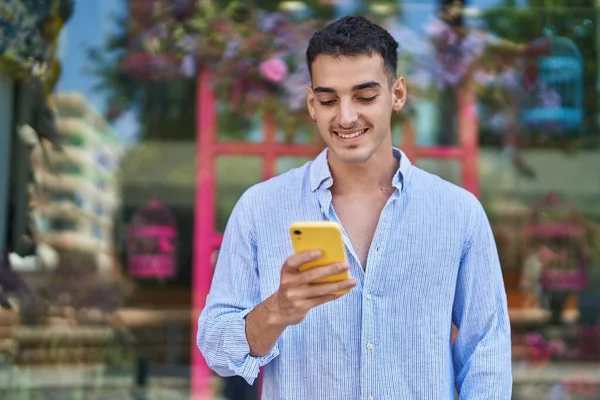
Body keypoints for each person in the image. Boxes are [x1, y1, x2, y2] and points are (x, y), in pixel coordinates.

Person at [198, 15, 512, 399]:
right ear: (312, 104)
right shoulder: (259, 209)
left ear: (397, 95)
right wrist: (276, 310)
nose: (346, 116)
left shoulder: (459, 213)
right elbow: (216, 348)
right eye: (329, 100)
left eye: (365, 96)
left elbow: (487, 355)